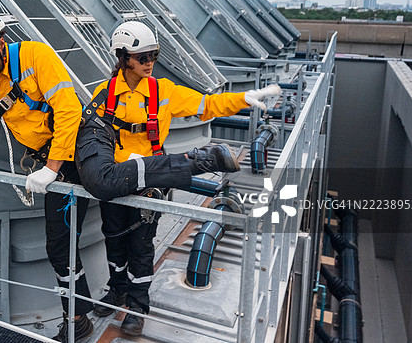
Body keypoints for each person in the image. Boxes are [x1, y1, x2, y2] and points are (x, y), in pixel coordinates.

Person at [76, 20, 281, 336]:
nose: (149, 63)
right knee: (113, 239)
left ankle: (137, 306)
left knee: (142, 246)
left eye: (153, 55)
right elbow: (90, 135)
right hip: (117, 179)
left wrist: (243, 99)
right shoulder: (105, 95)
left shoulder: (163, 93)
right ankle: (116, 290)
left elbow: (206, 105)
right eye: (142, 56)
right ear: (123, 57)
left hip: (151, 181)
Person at [0, 7, 94, 342]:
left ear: (1, 42)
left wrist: (52, 168)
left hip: (74, 151)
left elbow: (69, 109)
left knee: (86, 227)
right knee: (62, 246)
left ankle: (87, 313)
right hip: (48, 160)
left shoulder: (35, 56)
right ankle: (79, 316)